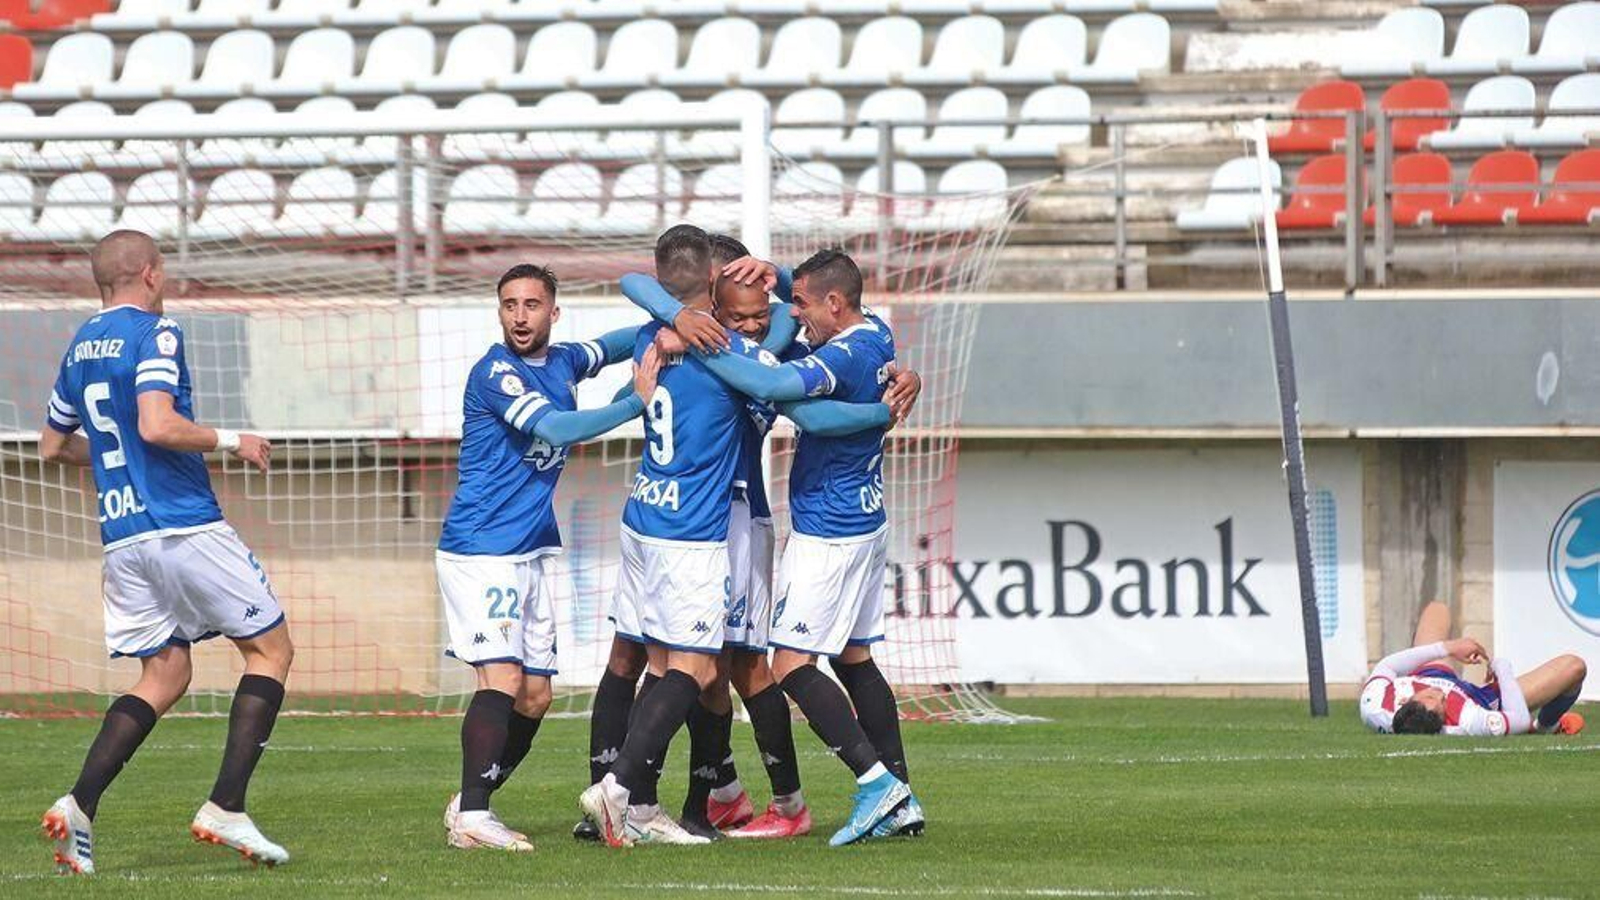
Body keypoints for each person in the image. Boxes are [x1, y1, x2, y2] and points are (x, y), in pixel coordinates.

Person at [620, 248, 924, 845]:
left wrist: (718, 346)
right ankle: (896, 795)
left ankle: (872, 787)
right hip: (856, 516)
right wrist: (709, 305)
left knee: (780, 664)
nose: (788, 314)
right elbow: (636, 281)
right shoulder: (875, 330)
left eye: (795, 304)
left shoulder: (827, 353)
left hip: (822, 528)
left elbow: (778, 385)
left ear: (834, 304)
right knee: (851, 658)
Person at [38, 230, 293, 873]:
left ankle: (79, 804)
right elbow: (156, 423)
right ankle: (226, 805)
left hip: (122, 538)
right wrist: (235, 439)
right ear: (150, 273)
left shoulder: (79, 347)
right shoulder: (158, 332)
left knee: (165, 674)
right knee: (271, 648)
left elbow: (51, 446)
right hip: (181, 525)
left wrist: (115, 467)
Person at [438, 263, 657, 851]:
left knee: (536, 696)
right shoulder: (496, 373)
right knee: (503, 679)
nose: (520, 316)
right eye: (509, 304)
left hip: (531, 547)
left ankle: (469, 800)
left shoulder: (562, 360)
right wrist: (635, 404)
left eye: (532, 304)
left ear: (552, 313)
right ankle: (475, 817)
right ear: (499, 311)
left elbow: (609, 346)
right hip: (483, 547)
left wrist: (670, 327)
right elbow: (556, 428)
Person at [1360, 601, 1586, 736]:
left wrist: (1448, 648)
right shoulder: (1465, 722)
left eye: (1430, 696)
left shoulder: (1374, 707)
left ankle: (1436, 660)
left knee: (1436, 609)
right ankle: (1546, 727)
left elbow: (1388, 665)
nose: (1441, 695)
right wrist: (1501, 667)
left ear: (1404, 701)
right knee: (1574, 668)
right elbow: (1518, 720)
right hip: (1480, 699)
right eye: (1442, 706)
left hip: (1429, 673)